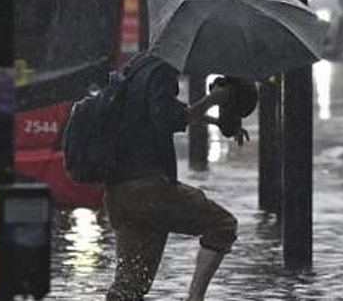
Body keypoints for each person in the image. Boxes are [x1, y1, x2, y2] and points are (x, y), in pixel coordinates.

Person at [104, 52, 248, 301]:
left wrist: (215, 119)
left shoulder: (137, 68)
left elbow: (159, 113)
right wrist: (214, 99)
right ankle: (195, 299)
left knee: (129, 286)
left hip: (120, 191)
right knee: (222, 225)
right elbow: (169, 118)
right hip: (149, 189)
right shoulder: (163, 71)